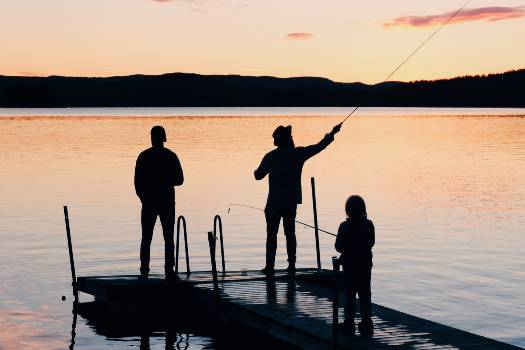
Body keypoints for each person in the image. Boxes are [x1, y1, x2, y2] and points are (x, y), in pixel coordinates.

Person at [254, 123, 341, 275]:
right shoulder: (298, 154)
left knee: (271, 236)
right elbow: (319, 147)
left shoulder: (271, 156)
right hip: (290, 202)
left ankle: (269, 266)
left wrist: (258, 169)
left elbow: (258, 176)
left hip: (274, 203)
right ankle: (292, 265)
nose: (273, 143)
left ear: (278, 141)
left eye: (274, 139)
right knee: (290, 234)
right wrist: (332, 133)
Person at [134, 126, 184, 280]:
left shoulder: (143, 156)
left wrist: (144, 198)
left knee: (146, 237)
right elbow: (180, 180)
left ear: (152, 138)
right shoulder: (171, 156)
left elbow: (137, 183)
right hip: (167, 202)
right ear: (164, 138)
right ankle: (169, 270)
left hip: (149, 202)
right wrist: (166, 180)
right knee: (168, 237)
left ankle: (144, 271)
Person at [335, 195, 375, 336]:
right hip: (365, 265)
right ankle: (366, 321)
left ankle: (349, 322)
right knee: (365, 294)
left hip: (350, 266)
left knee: (349, 294)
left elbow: (338, 247)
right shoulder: (369, 224)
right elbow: (371, 242)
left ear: (348, 210)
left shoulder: (344, 226)